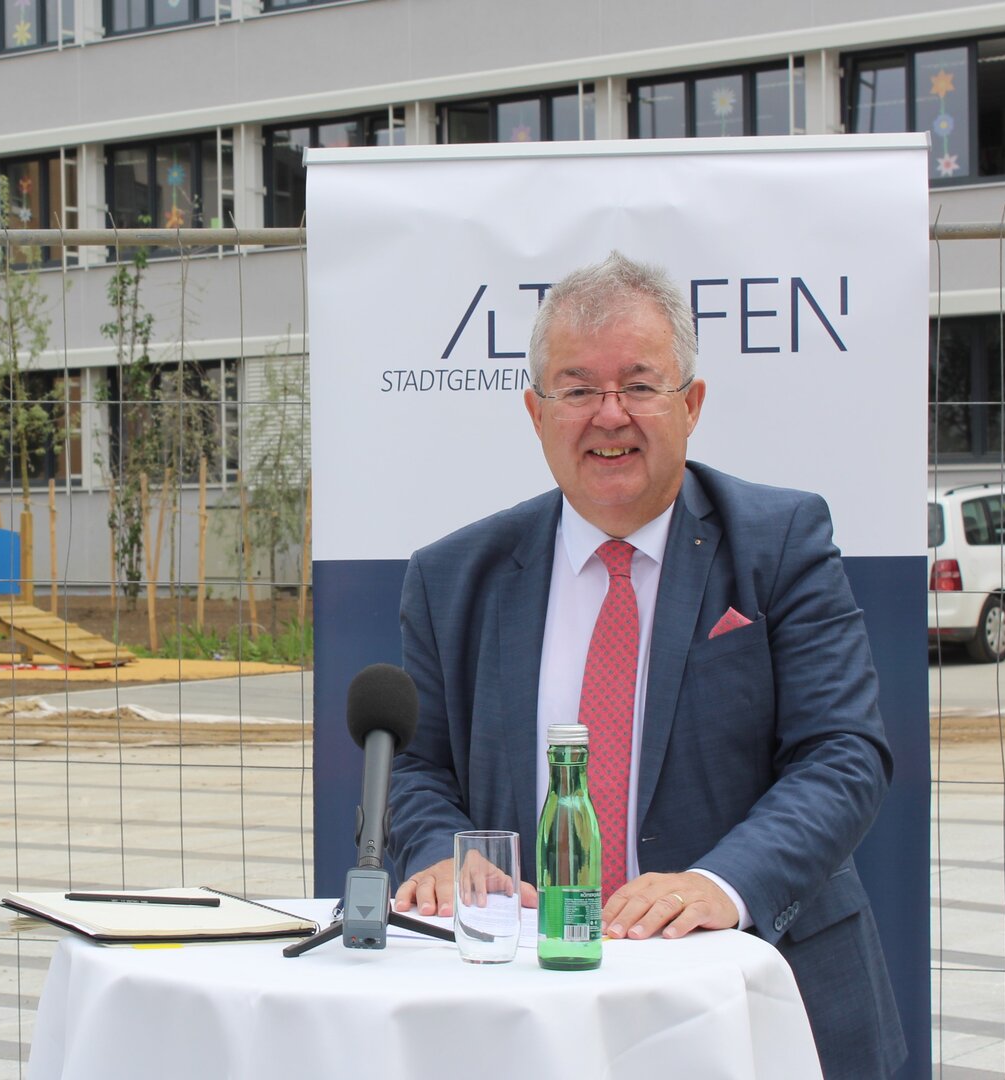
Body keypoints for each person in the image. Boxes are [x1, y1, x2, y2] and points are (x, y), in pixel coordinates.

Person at [386, 251, 904, 1079]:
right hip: (525, 1009)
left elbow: (843, 752)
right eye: (578, 390)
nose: (610, 415)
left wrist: (721, 883)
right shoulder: (453, 576)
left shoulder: (779, 542)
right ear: (536, 412)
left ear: (690, 404)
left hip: (752, 999)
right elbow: (413, 766)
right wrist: (443, 855)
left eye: (639, 384)